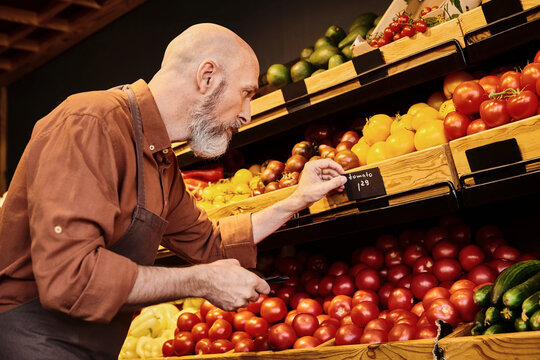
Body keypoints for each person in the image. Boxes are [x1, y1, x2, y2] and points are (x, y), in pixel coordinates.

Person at [0, 23, 347, 359]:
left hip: (90, 345)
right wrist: (198, 281)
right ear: (207, 77)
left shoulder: (161, 160)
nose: (247, 115)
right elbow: (70, 278)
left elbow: (212, 244)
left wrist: (298, 198)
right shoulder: (90, 122)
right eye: (246, 94)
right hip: (27, 339)